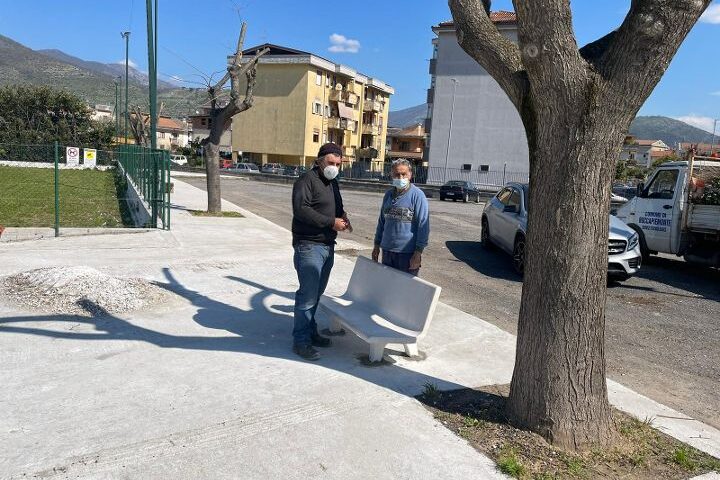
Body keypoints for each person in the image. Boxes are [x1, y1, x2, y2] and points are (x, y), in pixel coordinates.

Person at [291, 143, 351, 360]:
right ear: (319, 160)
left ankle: (310, 331)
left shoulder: (333, 183)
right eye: (330, 162)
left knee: (316, 295)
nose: (334, 167)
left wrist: (343, 218)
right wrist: (330, 222)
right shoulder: (306, 181)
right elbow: (301, 210)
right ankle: (301, 341)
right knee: (307, 296)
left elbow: (337, 207)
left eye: (338, 164)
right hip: (309, 246)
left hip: (327, 246)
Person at [372, 159, 429, 275]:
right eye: (397, 174)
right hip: (387, 251)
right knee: (388, 288)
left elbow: (423, 226)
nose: (400, 177)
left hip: (407, 253)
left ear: (410, 174)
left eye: (404, 174)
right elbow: (382, 222)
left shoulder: (418, 196)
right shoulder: (388, 195)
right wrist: (376, 245)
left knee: (404, 291)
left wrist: (418, 253)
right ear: (392, 174)